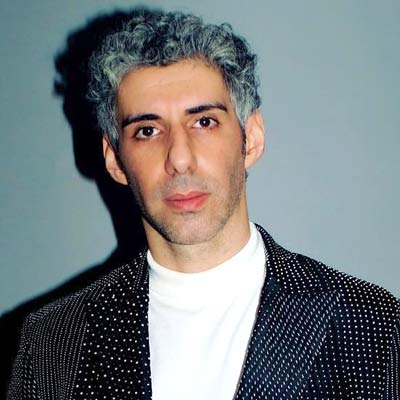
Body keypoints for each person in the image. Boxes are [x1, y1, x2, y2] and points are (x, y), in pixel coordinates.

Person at [7, 10, 399, 400]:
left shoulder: (370, 324)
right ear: (114, 160)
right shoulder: (52, 342)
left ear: (251, 139)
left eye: (204, 122)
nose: (179, 158)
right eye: (147, 130)